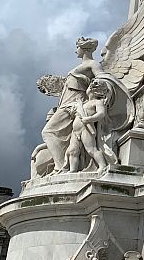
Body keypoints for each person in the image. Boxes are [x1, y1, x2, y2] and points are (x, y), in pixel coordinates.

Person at [41, 37, 101, 173]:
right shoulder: (81, 66)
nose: (76, 51)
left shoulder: (93, 64)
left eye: (77, 48)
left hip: (74, 104)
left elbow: (103, 79)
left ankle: (60, 166)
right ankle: (62, 165)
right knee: (51, 133)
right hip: (66, 104)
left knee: (48, 132)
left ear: (84, 48)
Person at [64, 79, 116, 173]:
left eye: (92, 87)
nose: (89, 89)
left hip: (86, 129)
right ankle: (73, 169)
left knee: (91, 150)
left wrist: (88, 119)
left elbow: (101, 114)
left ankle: (102, 165)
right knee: (72, 150)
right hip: (75, 131)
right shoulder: (83, 103)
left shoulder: (98, 102)